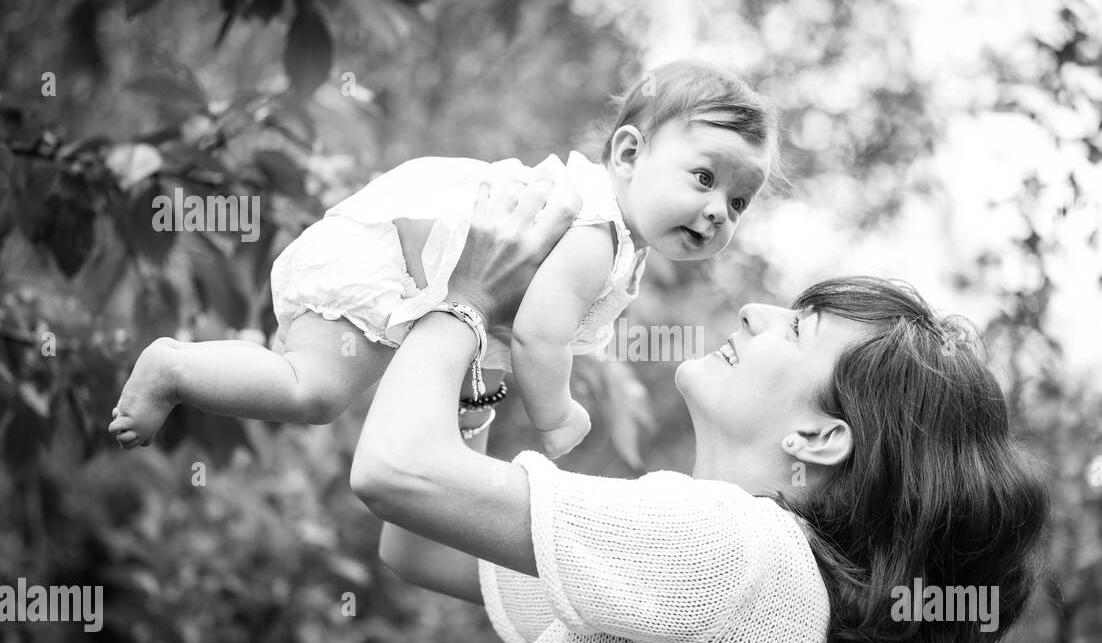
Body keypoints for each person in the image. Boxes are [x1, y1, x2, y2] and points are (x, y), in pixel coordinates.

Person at [350, 163, 1054, 643]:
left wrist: (465, 300)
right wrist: (482, 367)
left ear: (818, 437)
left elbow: (396, 470)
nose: (754, 312)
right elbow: (417, 543)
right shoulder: (745, 566)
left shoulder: (728, 547)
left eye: (798, 328)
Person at [108, 60, 778, 459]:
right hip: (381, 262)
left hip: (390, 256)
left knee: (310, 383)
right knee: (313, 392)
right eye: (704, 178)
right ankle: (175, 367)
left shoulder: (608, 232)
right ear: (630, 155)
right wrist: (558, 414)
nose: (720, 209)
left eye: (740, 201)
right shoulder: (597, 230)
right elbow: (540, 336)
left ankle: (194, 364)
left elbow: (497, 323)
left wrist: (468, 398)